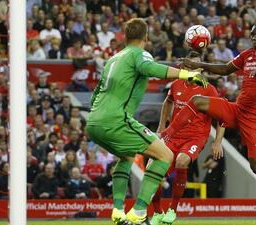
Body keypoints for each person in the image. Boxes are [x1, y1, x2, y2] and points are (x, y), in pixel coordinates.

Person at [162, 21, 256, 211]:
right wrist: (198, 64)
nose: (254, 38)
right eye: (252, 35)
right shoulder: (247, 54)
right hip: (238, 110)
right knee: (197, 100)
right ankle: (166, 135)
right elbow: (226, 69)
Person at [86, 18, 206, 225]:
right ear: (146, 37)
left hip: (94, 122)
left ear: (125, 36)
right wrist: (187, 74)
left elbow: (95, 94)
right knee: (165, 155)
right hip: (116, 120)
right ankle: (140, 211)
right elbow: (150, 68)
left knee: (126, 157)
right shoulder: (139, 54)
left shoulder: (113, 59)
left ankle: (117, 211)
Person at [150, 51, 225, 225]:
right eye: (192, 66)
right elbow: (167, 102)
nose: (196, 70)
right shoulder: (176, 85)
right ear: (185, 68)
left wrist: (218, 141)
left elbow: (223, 117)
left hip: (195, 137)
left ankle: (173, 210)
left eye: (198, 66)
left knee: (182, 161)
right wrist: (162, 127)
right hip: (173, 135)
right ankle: (157, 212)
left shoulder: (209, 89)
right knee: (154, 170)